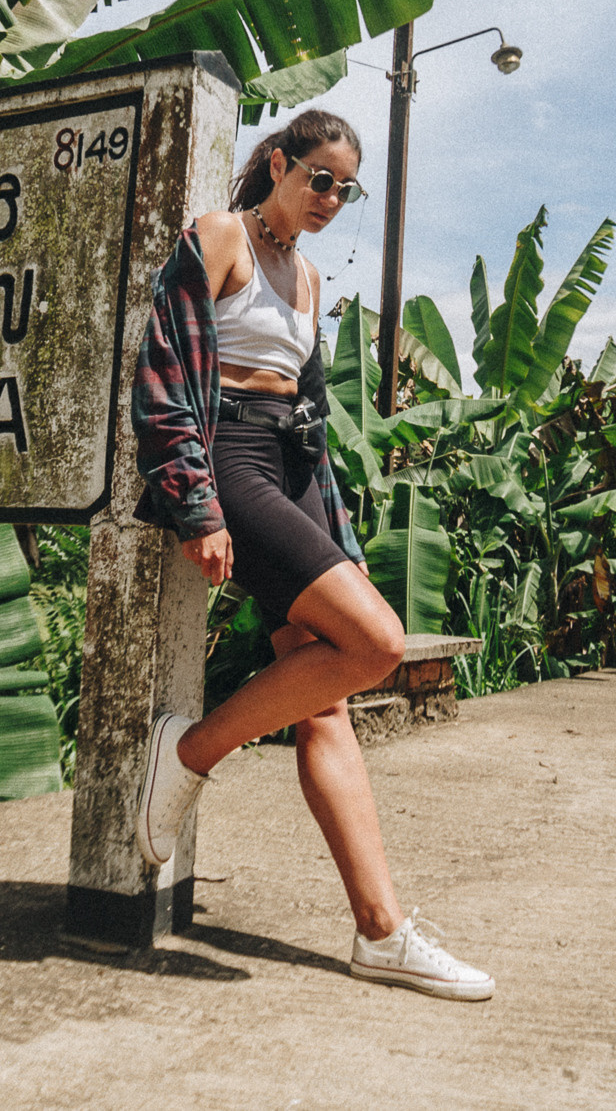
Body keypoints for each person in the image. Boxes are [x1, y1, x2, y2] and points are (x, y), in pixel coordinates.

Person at [128, 107, 495, 1001]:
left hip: (294, 475)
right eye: (319, 177)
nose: (331, 196)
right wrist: (196, 504)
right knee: (374, 643)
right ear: (282, 165)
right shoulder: (220, 238)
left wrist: (342, 539)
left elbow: (315, 417)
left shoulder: (310, 277)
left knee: (327, 699)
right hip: (232, 464)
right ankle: (191, 753)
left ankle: (382, 931)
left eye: (346, 187)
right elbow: (166, 367)